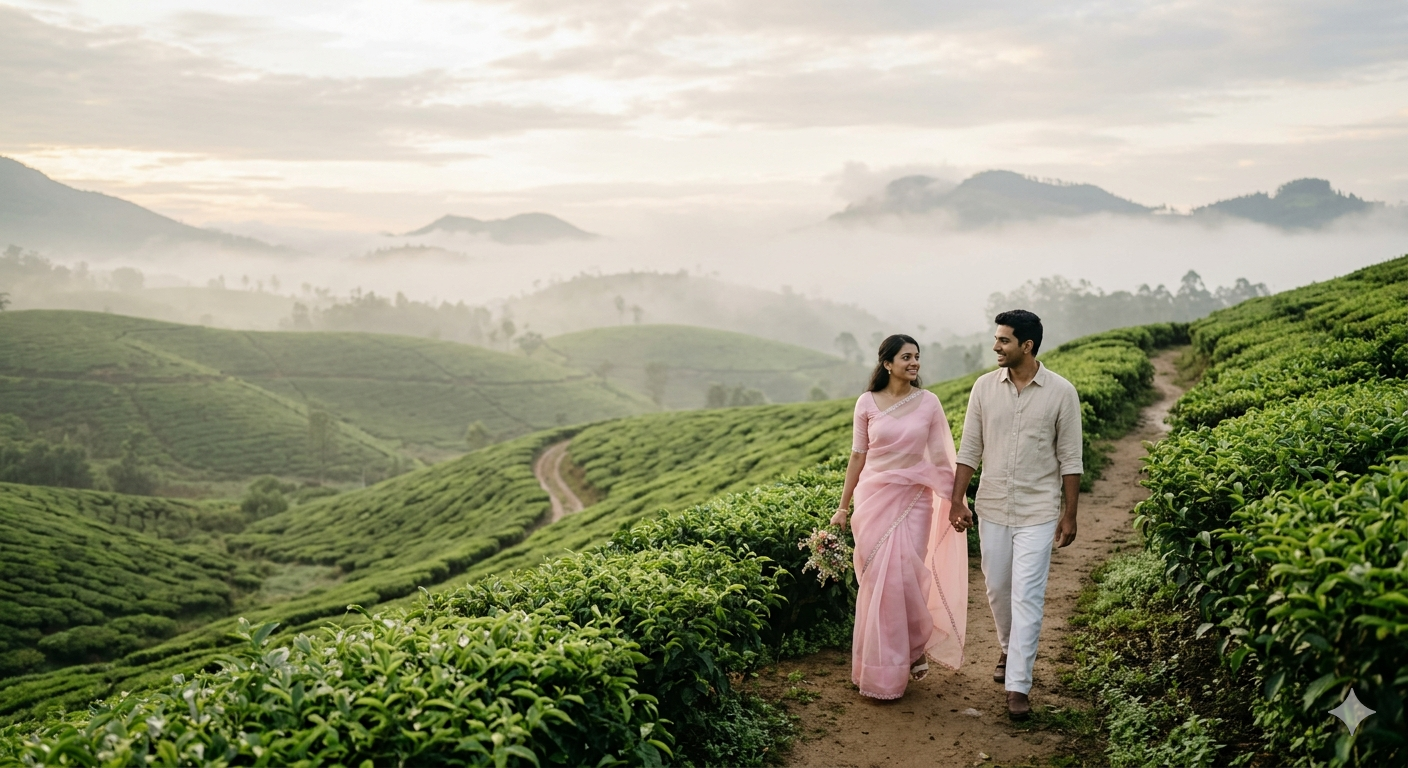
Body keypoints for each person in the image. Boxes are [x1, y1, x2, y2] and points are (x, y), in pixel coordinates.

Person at [948, 310, 1083, 720]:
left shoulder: (1062, 392)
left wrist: (1069, 514)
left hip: (1038, 510)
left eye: (1003, 340)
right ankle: (1009, 649)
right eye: (996, 339)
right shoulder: (983, 388)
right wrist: (958, 500)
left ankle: (1018, 685)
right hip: (992, 505)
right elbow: (969, 448)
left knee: (1028, 595)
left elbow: (1070, 458)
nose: (995, 347)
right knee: (998, 588)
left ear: (1027, 345)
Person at [831, 334, 968, 701]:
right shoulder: (866, 403)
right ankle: (882, 670)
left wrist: (957, 501)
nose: (914, 363)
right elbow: (857, 457)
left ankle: (913, 646)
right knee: (879, 582)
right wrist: (843, 508)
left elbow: (942, 457)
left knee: (907, 575)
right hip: (874, 500)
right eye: (906, 357)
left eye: (917, 357)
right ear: (887, 363)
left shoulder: (928, 403)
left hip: (915, 501)